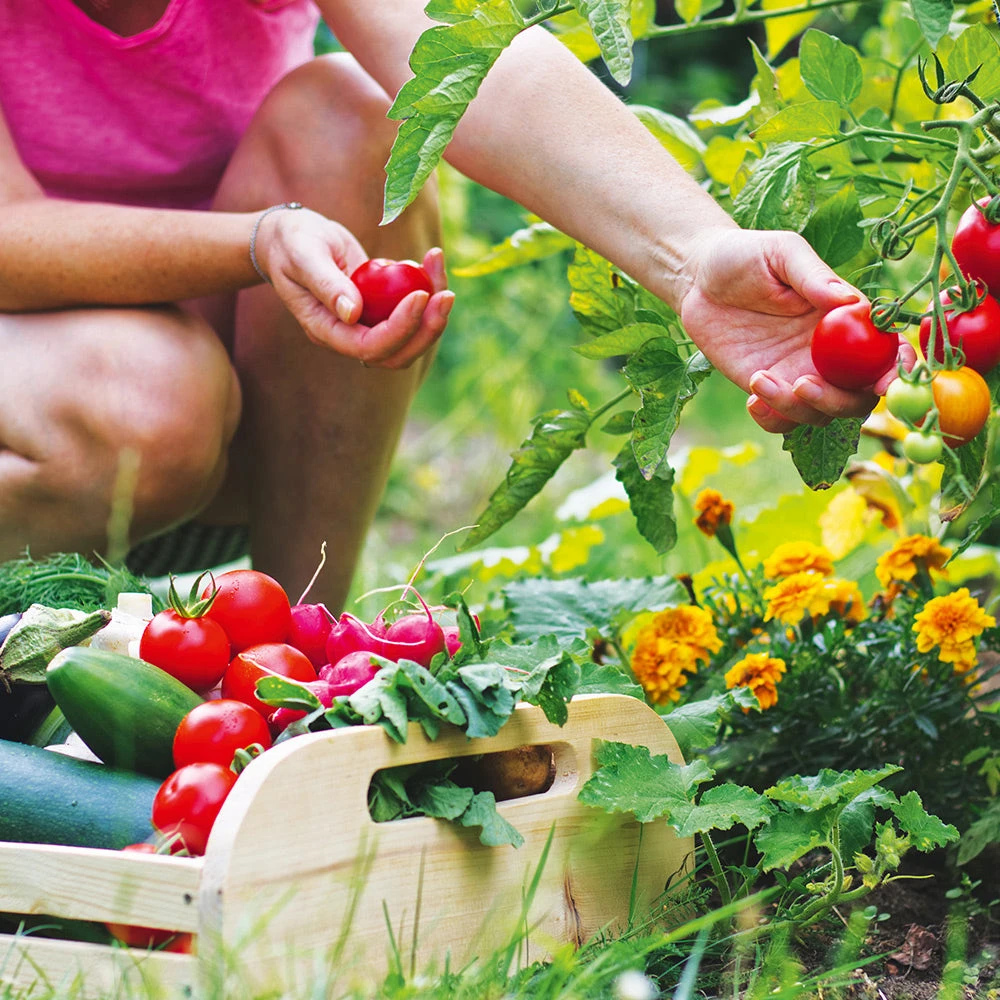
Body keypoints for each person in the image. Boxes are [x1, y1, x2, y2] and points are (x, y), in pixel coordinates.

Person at [0, 0, 900, 611]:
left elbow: (473, 64)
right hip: (56, 415)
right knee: (146, 402)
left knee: (353, 114)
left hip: (221, 434)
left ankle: (297, 653)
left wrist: (693, 254)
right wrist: (259, 240)